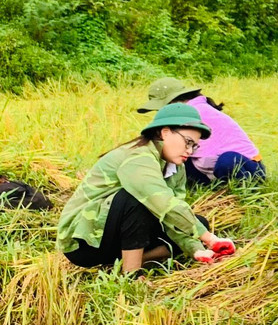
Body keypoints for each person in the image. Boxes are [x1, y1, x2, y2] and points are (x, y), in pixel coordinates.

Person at [57, 103, 235, 274]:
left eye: (194, 146)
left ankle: (118, 265)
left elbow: (172, 213)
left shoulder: (176, 167)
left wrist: (196, 249)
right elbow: (160, 201)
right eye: (187, 142)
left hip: (115, 235)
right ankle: (131, 275)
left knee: (197, 222)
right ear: (165, 132)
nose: (189, 150)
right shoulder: (138, 157)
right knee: (136, 199)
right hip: (84, 242)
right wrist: (210, 239)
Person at [138, 78, 265, 186]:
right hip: (210, 166)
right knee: (176, 159)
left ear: (172, 102)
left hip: (248, 169)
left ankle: (241, 193)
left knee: (227, 161)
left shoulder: (195, 111)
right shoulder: (187, 111)